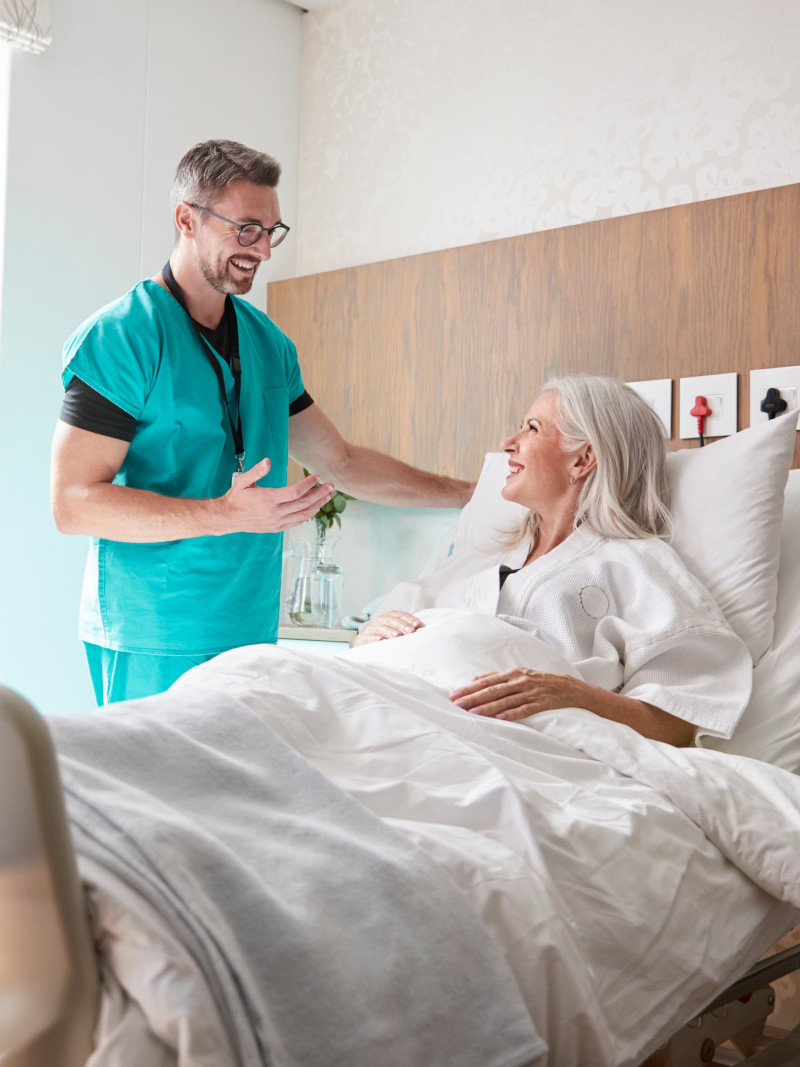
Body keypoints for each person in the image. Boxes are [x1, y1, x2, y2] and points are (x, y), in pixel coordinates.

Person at [51, 139, 474, 706]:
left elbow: (342, 462)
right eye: (246, 228)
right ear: (187, 220)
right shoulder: (123, 336)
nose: (264, 250)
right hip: (154, 631)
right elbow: (73, 503)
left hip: (249, 630)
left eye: (272, 231)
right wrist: (223, 514)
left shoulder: (269, 344)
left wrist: (470, 493)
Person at [355, 375, 752, 748]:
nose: (509, 442)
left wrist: (577, 696)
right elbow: (382, 636)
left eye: (531, 428)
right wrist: (369, 637)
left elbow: (679, 720)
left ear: (582, 460)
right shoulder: (482, 557)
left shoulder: (635, 564)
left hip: (492, 745)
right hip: (386, 713)